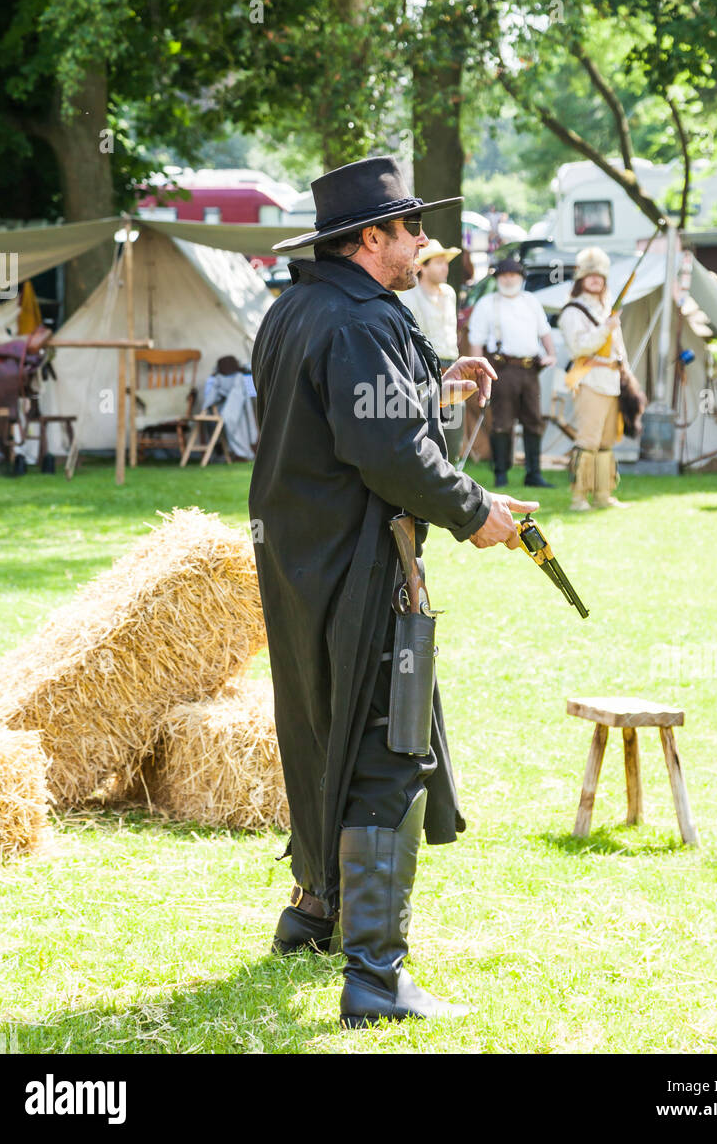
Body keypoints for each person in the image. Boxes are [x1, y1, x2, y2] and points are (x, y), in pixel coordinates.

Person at [249, 156, 538, 1028]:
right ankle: (375, 977)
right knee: (387, 741)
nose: (422, 241)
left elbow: (347, 411)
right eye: (411, 228)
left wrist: (436, 383)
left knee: (318, 724)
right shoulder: (361, 318)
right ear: (370, 238)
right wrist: (476, 509)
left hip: (300, 557)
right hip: (360, 561)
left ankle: (314, 912)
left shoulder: (299, 308)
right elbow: (387, 452)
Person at [467, 255, 557, 489]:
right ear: (498, 279)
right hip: (502, 368)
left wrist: (551, 353)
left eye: (513, 275)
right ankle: (501, 473)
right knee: (502, 422)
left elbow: (544, 331)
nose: (508, 280)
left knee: (533, 420)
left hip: (530, 369)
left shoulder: (531, 301)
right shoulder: (488, 304)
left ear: (521, 278)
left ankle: (534, 473)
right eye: (504, 276)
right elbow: (476, 339)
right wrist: (478, 368)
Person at [559, 247, 630, 511]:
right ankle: (579, 497)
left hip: (611, 381)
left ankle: (603, 495)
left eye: (600, 276)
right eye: (590, 276)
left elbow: (618, 347)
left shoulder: (606, 308)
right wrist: (605, 328)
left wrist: (626, 374)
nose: (595, 280)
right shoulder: (572, 311)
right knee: (587, 442)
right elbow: (580, 347)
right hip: (589, 380)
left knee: (606, 443)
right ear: (581, 279)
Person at [398, 238, 463, 460]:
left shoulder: (449, 293)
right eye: (438, 262)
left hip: (451, 363)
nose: (445, 267)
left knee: (453, 421)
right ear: (423, 267)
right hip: (425, 366)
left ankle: (452, 466)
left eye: (446, 262)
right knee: (430, 422)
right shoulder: (409, 295)